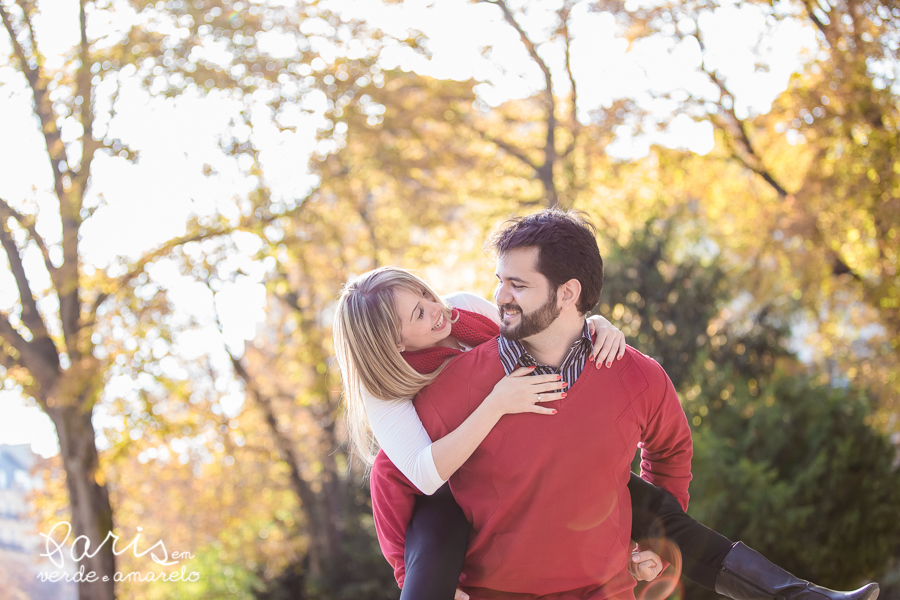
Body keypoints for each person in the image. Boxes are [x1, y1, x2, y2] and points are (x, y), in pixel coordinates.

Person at [333, 209, 881, 600]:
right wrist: (499, 404)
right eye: (417, 315)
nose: (438, 310)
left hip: (592, 559)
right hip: (459, 518)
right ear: (392, 343)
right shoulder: (406, 396)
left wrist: (654, 551)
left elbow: (668, 448)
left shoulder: (480, 316)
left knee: (665, 516)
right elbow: (407, 476)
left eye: (426, 294)